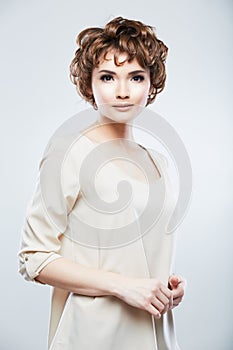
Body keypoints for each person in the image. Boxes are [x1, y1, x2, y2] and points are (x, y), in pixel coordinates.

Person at [18, 16, 186, 350]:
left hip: (154, 335)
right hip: (91, 336)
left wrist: (164, 286)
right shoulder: (71, 151)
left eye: (136, 77)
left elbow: (137, 254)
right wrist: (123, 286)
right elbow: (34, 257)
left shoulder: (161, 163)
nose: (122, 91)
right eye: (108, 77)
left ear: (151, 84)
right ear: (89, 85)